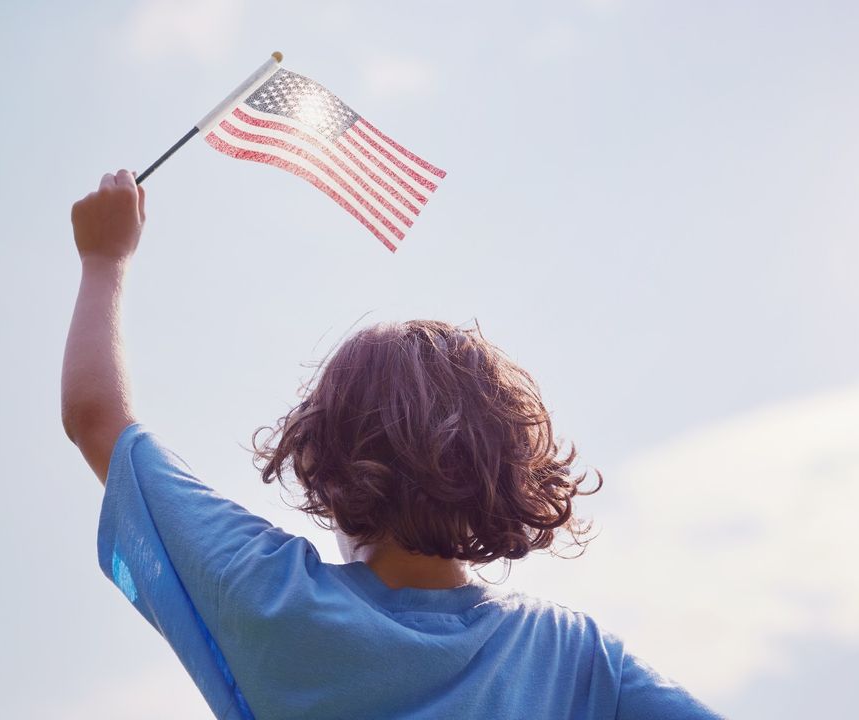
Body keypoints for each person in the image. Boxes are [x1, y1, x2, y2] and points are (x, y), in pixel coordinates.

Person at [62, 169, 722, 719]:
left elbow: (97, 419)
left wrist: (104, 259)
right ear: (508, 472)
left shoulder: (270, 596)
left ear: (319, 464)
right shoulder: (570, 654)